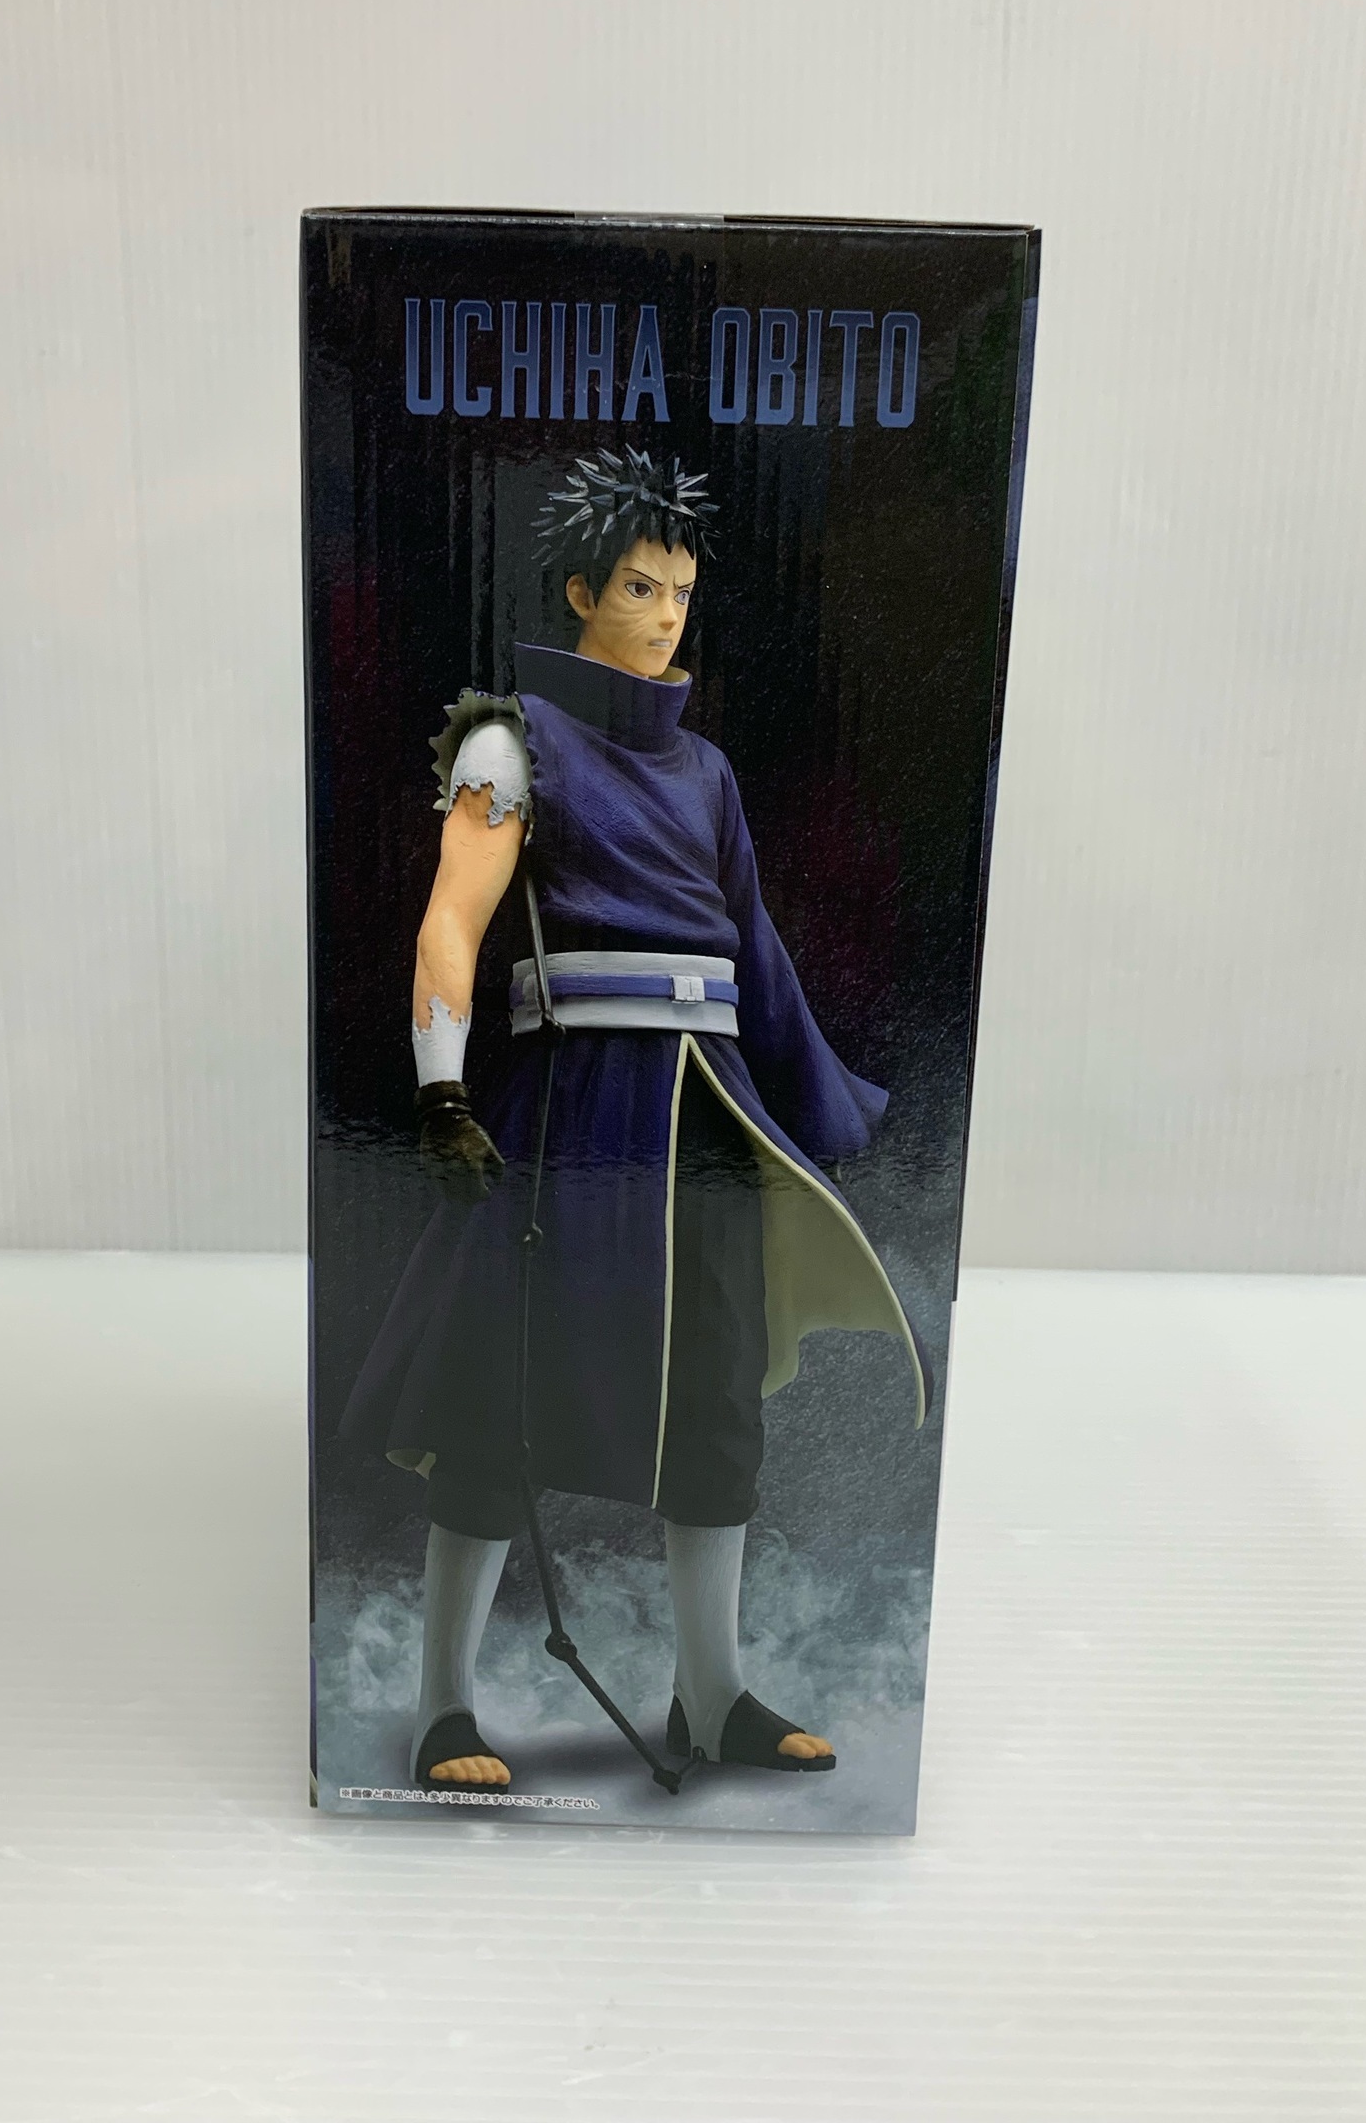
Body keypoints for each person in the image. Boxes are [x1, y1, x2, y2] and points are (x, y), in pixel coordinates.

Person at [340, 448, 927, 1790]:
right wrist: (440, 1087)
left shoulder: (706, 773)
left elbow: (754, 950)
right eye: (641, 588)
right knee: (497, 1396)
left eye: (682, 593)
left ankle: (709, 1699)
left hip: (704, 1110)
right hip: (573, 1110)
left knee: (716, 1400)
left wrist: (816, 1109)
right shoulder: (512, 744)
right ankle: (444, 1707)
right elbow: (452, 919)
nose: (667, 617)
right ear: (579, 592)